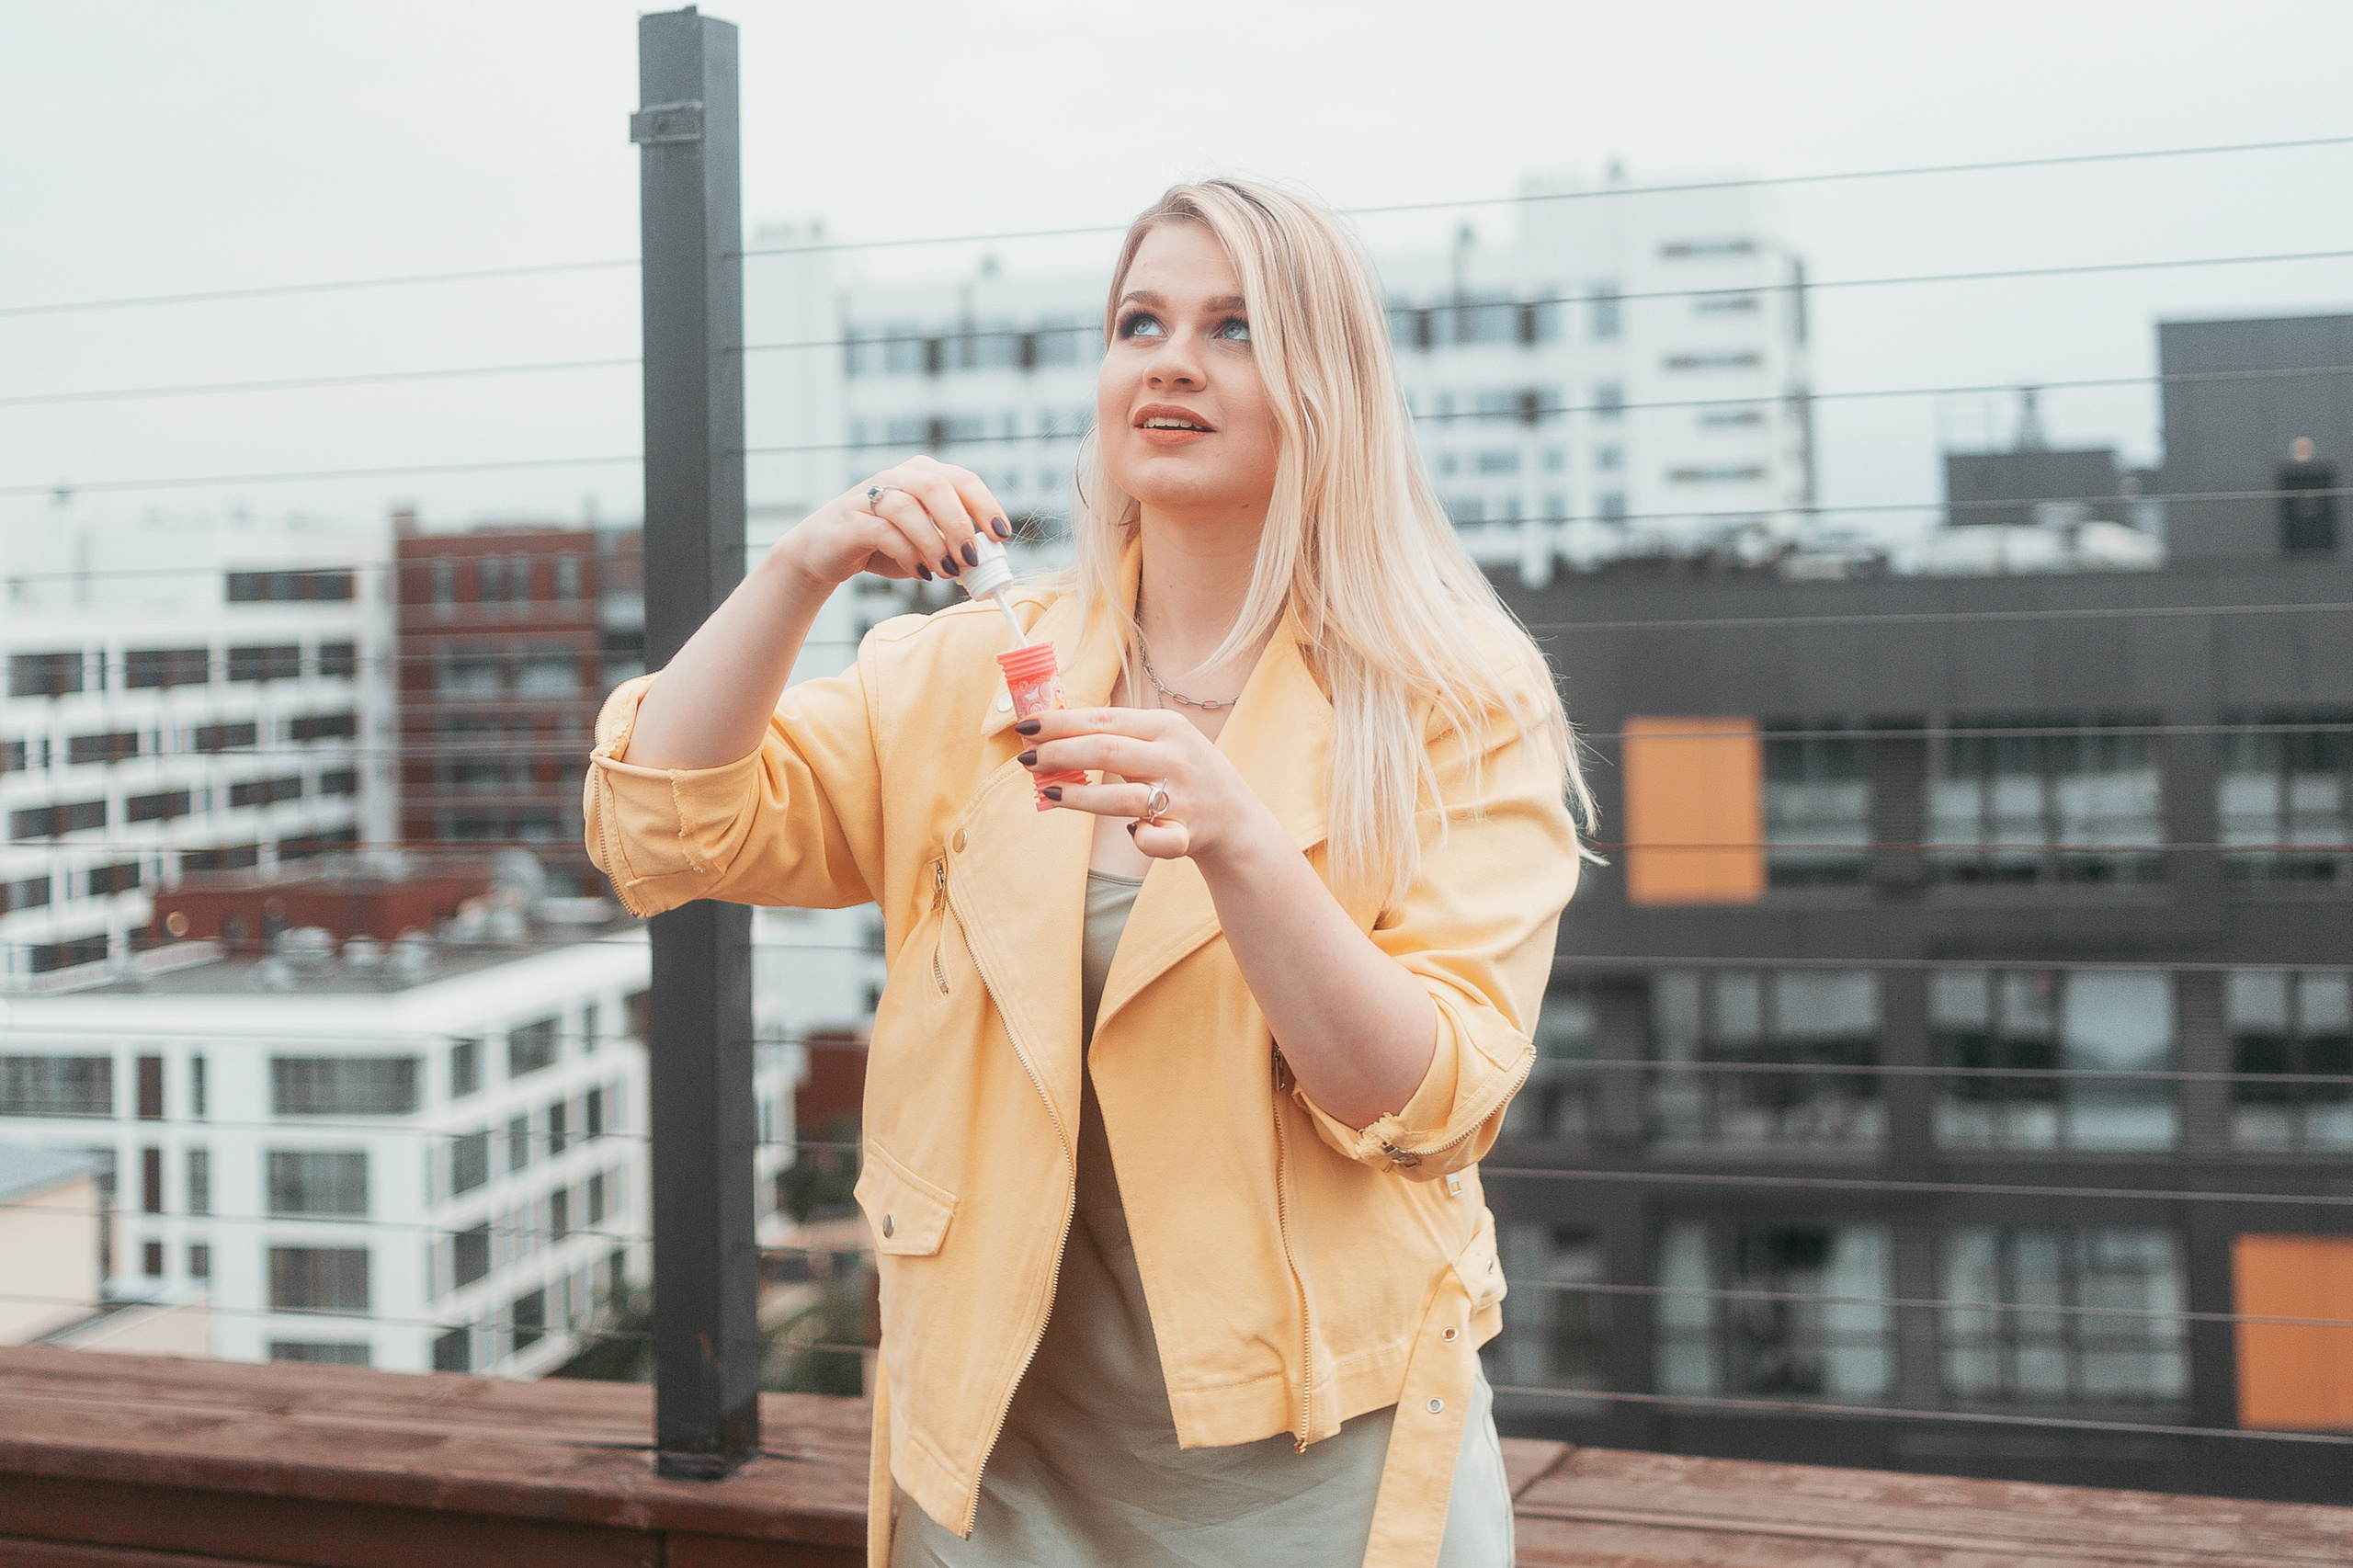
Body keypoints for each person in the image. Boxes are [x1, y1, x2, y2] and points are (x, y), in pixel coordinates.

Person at [585, 177, 1588, 1568]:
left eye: (1233, 328)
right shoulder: (969, 677)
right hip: (995, 1468)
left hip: (1317, 1481)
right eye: (1142, 321)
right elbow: (662, 820)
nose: (1172, 358)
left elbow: (1424, 1097)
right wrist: (802, 567)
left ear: (1327, 387)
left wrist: (1238, 838)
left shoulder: (1453, 706)